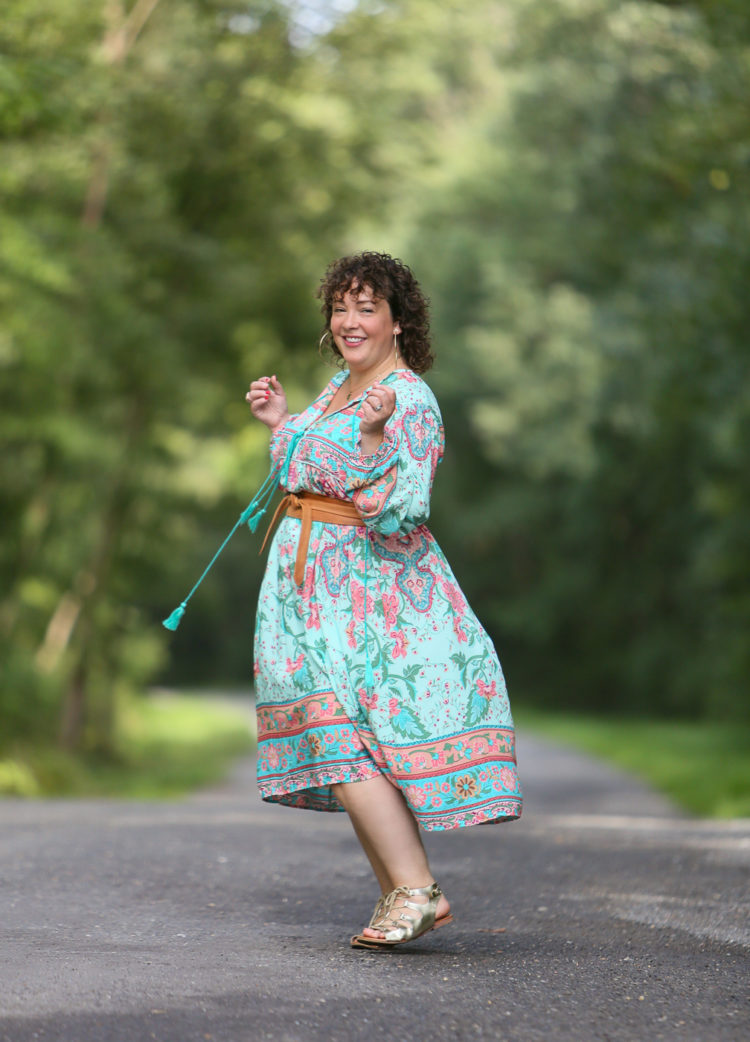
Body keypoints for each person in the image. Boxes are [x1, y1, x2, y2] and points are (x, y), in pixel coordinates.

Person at [246, 251, 521, 950]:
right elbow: (305, 471)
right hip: (307, 589)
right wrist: (282, 422)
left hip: (372, 596)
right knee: (335, 735)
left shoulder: (409, 399)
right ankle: (401, 891)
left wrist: (372, 437)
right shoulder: (339, 385)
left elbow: (402, 510)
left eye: (367, 308)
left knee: (342, 732)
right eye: (340, 307)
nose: (349, 321)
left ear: (399, 321)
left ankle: (418, 891)